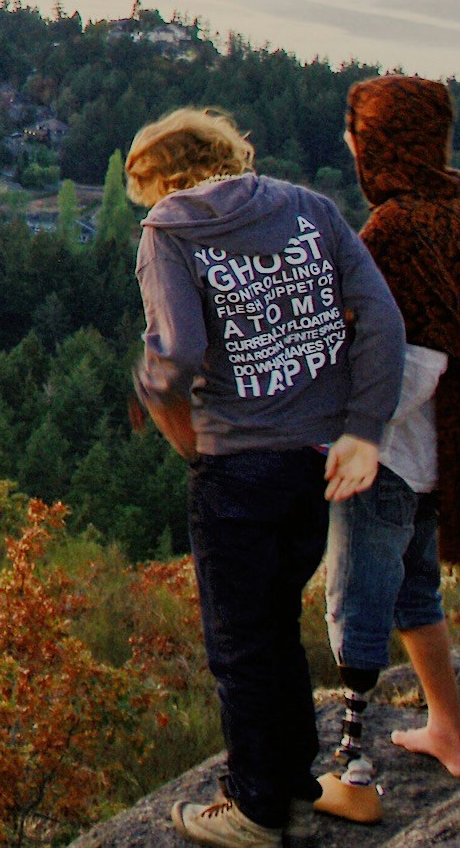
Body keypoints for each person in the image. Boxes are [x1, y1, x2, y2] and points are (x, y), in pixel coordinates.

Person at [128, 107, 404, 848]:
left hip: (236, 463)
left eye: (146, 188)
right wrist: (362, 429)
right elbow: (380, 317)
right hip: (315, 455)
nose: (146, 203)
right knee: (275, 621)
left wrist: (157, 398)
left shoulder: (168, 230)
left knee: (239, 644)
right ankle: (286, 778)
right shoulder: (308, 207)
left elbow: (178, 351)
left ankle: (253, 808)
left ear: (165, 177)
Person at [317, 73, 460, 809]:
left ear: (380, 144)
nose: (349, 144)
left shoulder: (393, 230)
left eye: (357, 133)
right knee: (414, 589)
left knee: (353, 601)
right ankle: (448, 727)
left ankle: (351, 770)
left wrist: (349, 428)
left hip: (388, 456)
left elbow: (412, 361)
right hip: (446, 454)